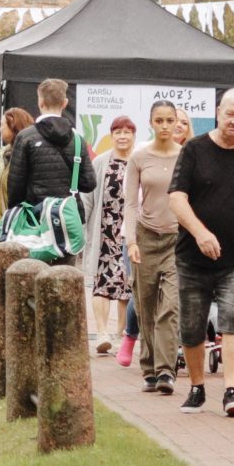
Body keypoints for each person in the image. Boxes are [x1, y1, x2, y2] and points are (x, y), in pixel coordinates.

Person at [168, 87, 234, 417]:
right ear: (218, 113)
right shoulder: (195, 150)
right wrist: (199, 233)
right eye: (231, 114)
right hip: (193, 257)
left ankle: (231, 390)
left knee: (233, 322)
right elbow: (177, 198)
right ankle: (197, 387)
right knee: (192, 326)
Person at [127, 101, 189, 395]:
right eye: (159, 120)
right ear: (151, 123)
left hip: (177, 239)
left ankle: (166, 370)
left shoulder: (187, 156)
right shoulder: (139, 157)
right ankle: (149, 368)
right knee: (146, 306)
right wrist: (131, 241)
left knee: (171, 306)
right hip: (146, 236)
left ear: (177, 122)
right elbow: (130, 203)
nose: (165, 126)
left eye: (169, 120)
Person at [3, 78, 97, 256]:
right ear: (65, 103)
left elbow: (15, 186)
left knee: (33, 269)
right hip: (68, 220)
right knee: (65, 271)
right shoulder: (78, 140)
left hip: (35, 218)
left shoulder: (26, 137)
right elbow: (89, 183)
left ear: (40, 102)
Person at [89, 116, 138, 352]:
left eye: (127, 132)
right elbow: (89, 196)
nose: (122, 137)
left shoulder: (139, 160)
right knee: (101, 281)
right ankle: (101, 333)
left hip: (129, 231)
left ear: (134, 136)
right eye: (118, 132)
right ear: (111, 136)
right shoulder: (101, 161)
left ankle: (120, 334)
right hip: (104, 231)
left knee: (126, 285)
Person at [0, 107, 34, 244]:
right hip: (1, 226)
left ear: (13, 127)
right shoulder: (2, 155)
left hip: (14, 228)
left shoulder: (23, 157)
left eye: (2, 125)